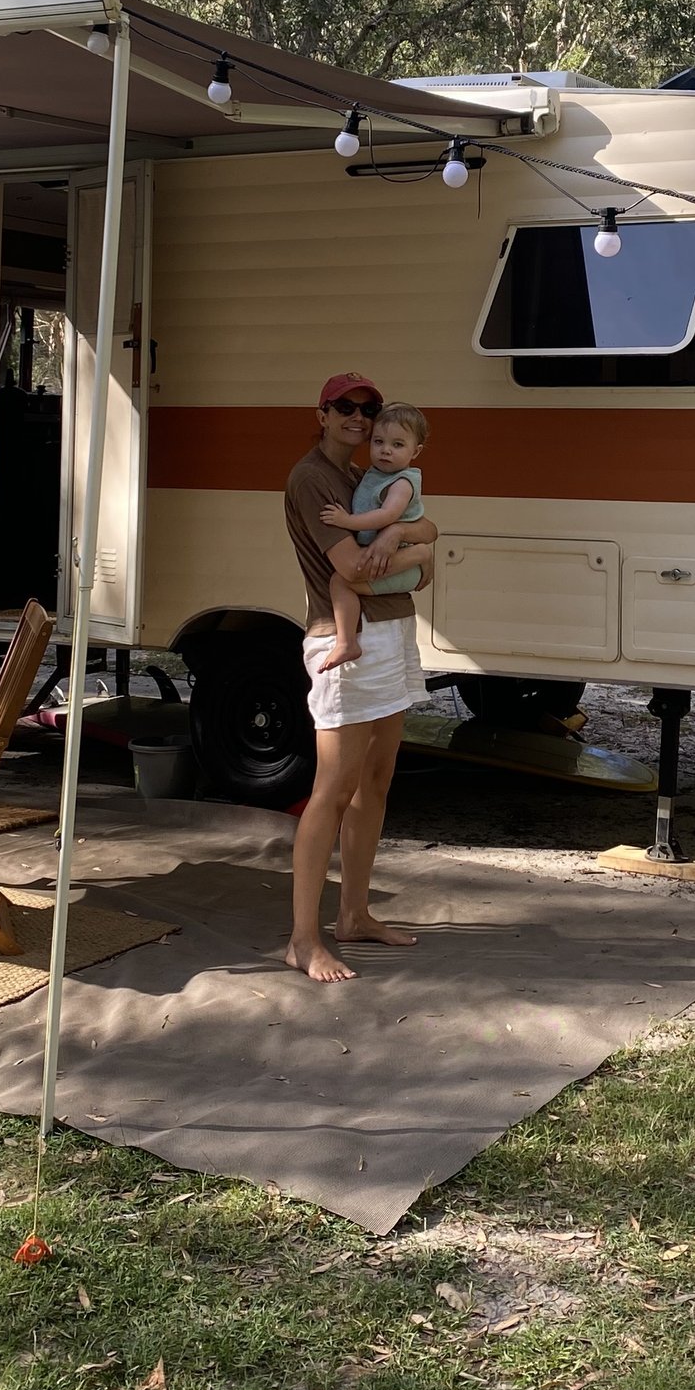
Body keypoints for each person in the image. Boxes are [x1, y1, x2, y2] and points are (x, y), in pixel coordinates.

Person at [282, 373, 437, 982]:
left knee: (377, 776)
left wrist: (409, 540)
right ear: (320, 413)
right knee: (333, 789)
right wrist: (418, 555)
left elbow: (428, 531)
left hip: (392, 634)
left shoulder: (367, 473)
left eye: (367, 409)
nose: (357, 418)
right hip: (348, 642)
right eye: (343, 408)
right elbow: (354, 570)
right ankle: (302, 939)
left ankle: (354, 914)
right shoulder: (313, 478)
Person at [315, 402, 431, 671]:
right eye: (379, 442)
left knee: (340, 582)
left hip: (399, 562)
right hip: (393, 557)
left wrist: (347, 521)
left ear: (416, 451)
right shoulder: (373, 475)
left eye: (398, 445)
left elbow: (387, 516)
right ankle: (347, 641)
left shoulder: (402, 482)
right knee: (342, 581)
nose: (385, 450)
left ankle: (346, 643)